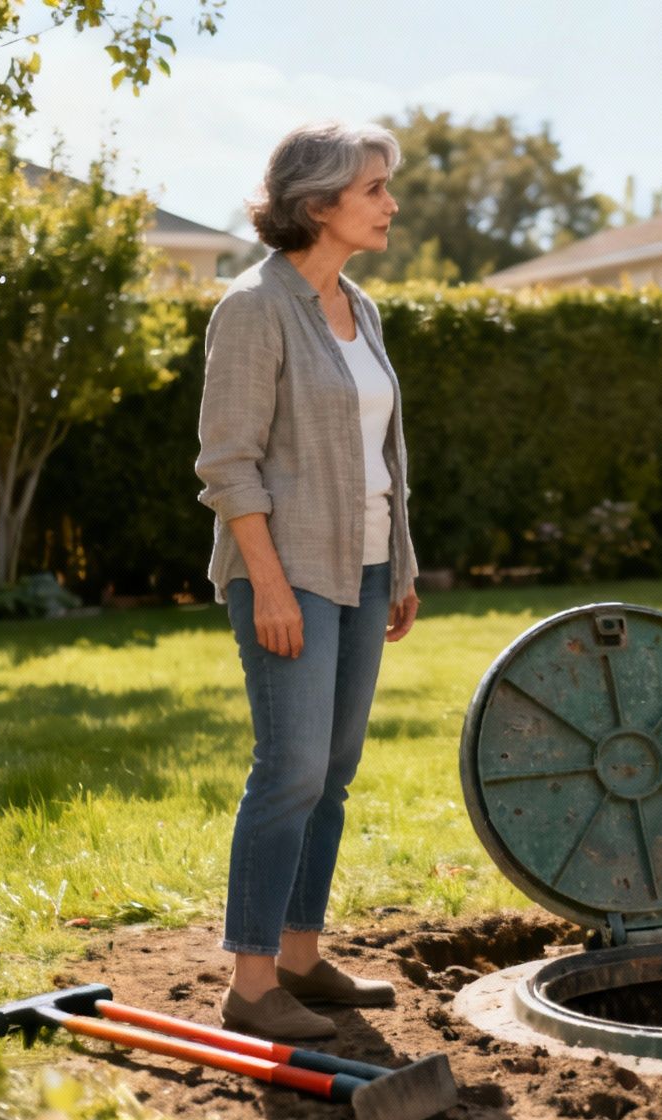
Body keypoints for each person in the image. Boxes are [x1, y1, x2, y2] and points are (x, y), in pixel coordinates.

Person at [195, 120, 421, 1041]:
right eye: (374, 188)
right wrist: (272, 586)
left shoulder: (358, 306)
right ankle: (251, 985)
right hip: (287, 573)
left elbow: (382, 454)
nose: (391, 204)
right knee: (289, 769)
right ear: (318, 202)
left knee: (332, 771)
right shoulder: (254, 308)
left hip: (365, 567)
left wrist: (399, 563)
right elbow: (228, 465)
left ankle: (298, 958)